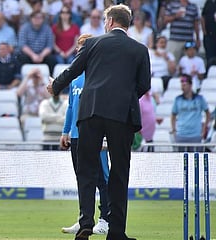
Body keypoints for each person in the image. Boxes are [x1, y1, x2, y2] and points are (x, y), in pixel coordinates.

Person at [48, 5, 151, 240]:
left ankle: (86, 222)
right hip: (121, 116)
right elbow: (144, 85)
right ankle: (116, 231)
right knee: (119, 172)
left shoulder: (93, 44)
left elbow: (73, 70)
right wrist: (122, 97)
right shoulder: (139, 49)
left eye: (105, 20)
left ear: (111, 21)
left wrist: (55, 86)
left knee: (86, 169)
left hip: (91, 113)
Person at [59, 33, 109, 235]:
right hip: (77, 134)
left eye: (84, 48)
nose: (80, 52)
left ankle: (105, 219)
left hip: (96, 134)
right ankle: (84, 220)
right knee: (83, 179)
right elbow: (71, 106)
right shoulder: (75, 77)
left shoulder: (99, 74)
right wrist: (65, 131)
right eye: (79, 49)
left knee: (102, 179)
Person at [170, 74, 210, 152]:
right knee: (180, 160)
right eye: (181, 85)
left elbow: (207, 113)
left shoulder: (200, 99)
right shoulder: (178, 99)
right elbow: (173, 115)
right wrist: (174, 130)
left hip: (195, 135)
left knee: (195, 161)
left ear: (190, 85)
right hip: (181, 134)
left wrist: (205, 128)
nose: (182, 87)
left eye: (184, 85)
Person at [201, 0, 216, 70]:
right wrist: (205, 33)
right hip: (209, 36)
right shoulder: (209, 2)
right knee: (210, 58)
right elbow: (203, 17)